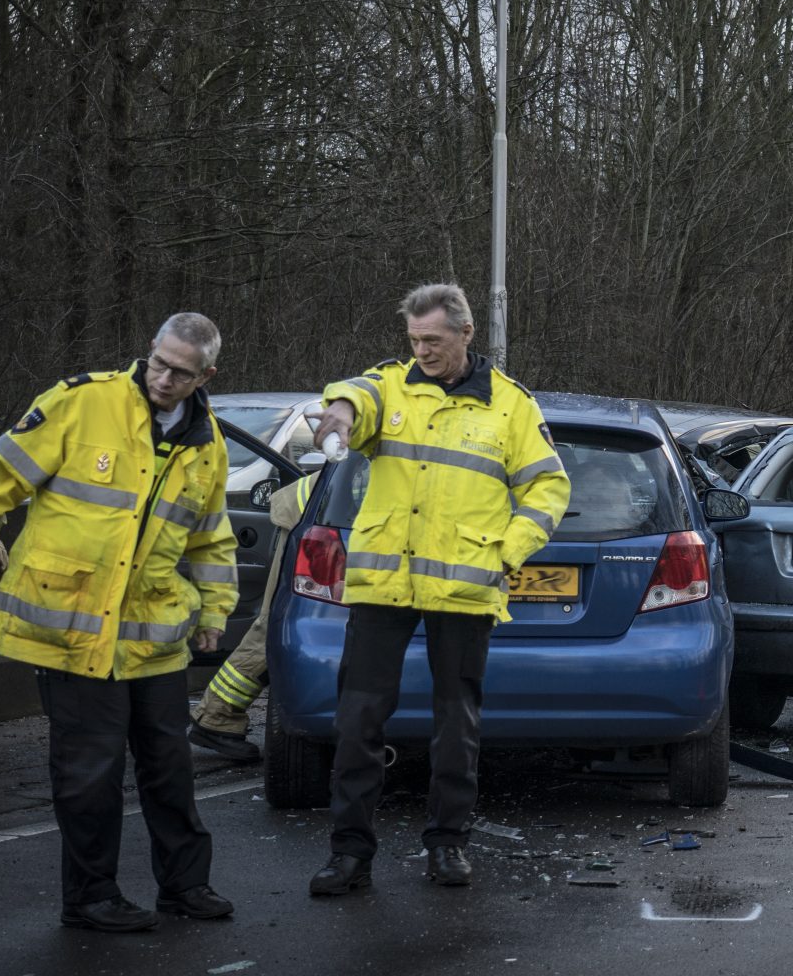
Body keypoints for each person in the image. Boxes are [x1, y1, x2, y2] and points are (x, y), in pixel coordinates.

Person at [0, 313, 239, 931]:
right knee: (89, 775)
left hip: (151, 636)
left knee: (170, 766)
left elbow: (211, 539)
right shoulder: (83, 402)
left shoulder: (206, 441)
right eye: (158, 361)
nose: (162, 377)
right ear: (150, 350)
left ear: (205, 375)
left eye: (180, 372)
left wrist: (214, 613)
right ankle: (90, 896)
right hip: (71, 628)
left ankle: (185, 885)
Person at [307, 284, 570, 896]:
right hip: (383, 584)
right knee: (358, 722)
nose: (422, 350)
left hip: (462, 589)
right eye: (415, 340)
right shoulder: (391, 385)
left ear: (466, 333)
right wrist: (338, 416)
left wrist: (507, 552)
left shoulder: (511, 406)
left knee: (456, 727)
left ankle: (448, 845)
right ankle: (349, 854)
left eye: (434, 340)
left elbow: (549, 490)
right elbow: (352, 398)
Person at [186, 472, 316, 762]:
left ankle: (215, 715)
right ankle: (215, 717)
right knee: (273, 627)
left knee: (275, 625)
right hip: (310, 516)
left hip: (310, 513)